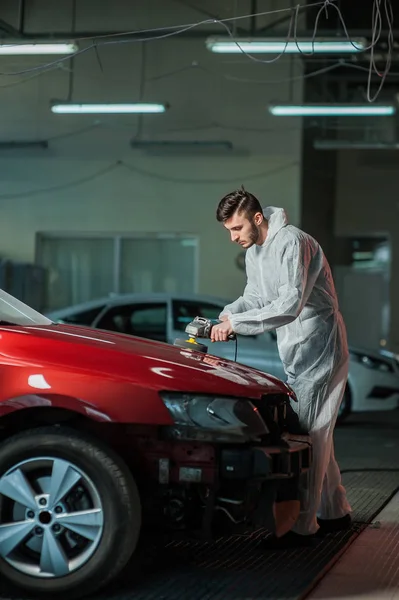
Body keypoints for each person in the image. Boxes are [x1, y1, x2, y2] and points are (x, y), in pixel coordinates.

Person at [211, 186, 352, 548]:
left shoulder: (293, 242)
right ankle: (335, 510)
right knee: (317, 429)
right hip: (296, 348)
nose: (233, 237)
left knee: (308, 433)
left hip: (320, 346)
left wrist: (238, 326)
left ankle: (302, 527)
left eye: (237, 228)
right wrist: (230, 313)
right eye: (229, 230)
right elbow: (257, 297)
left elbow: (289, 303)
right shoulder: (257, 251)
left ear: (258, 218)